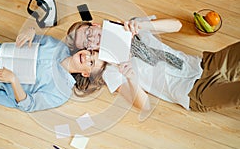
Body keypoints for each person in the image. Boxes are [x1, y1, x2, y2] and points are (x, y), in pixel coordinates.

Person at [64, 18, 240, 113]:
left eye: (88, 33)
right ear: (90, 50)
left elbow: (177, 25)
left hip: (203, 64)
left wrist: (144, 25)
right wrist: (132, 79)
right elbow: (145, 106)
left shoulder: (130, 26)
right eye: (87, 44)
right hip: (192, 92)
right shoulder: (111, 71)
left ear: (95, 25)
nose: (92, 40)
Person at [0, 14, 106, 112]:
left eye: (91, 63)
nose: (87, 57)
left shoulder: (61, 93)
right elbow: (30, 38)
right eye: (91, 53)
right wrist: (31, 31)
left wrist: (13, 80)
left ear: (85, 73)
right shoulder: (59, 47)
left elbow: (28, 105)